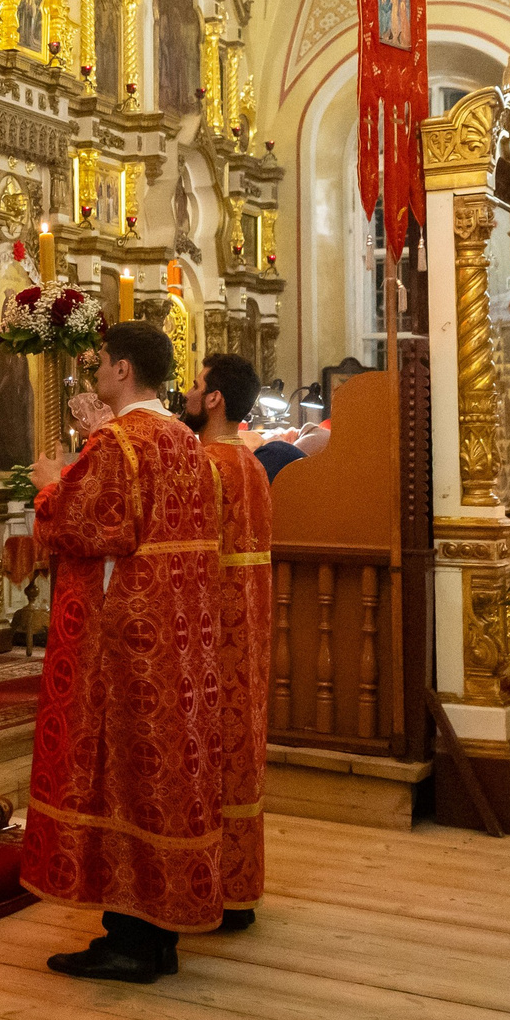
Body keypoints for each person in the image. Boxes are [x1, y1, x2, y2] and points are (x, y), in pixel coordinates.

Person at [25, 321, 222, 981]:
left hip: (122, 635)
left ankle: (131, 939)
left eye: (102, 363)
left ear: (122, 369)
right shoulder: (184, 438)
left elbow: (81, 523)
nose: (96, 372)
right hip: (176, 630)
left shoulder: (121, 440)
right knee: (160, 770)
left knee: (119, 774)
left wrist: (50, 482)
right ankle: (156, 932)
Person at [187, 351, 273, 932]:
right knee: (238, 755)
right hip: (249, 628)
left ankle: (206, 887)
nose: (188, 393)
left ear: (215, 399)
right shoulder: (252, 466)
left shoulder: (205, 467)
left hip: (210, 631)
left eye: (196, 386)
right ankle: (237, 891)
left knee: (204, 756)